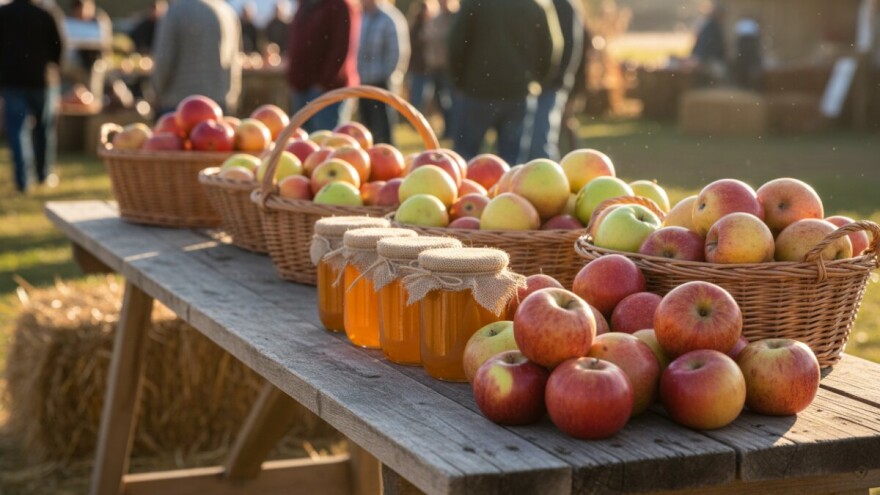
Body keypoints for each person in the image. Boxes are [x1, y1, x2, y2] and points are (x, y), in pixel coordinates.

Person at [447, 0, 561, 164]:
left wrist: (459, 81)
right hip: (517, 92)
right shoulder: (536, 4)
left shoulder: (474, 3)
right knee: (511, 163)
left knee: (464, 158)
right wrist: (537, 81)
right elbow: (551, 47)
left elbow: (455, 43)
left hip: (478, 91)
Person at [0, 0, 64, 192]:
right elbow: (58, 47)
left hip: (12, 82)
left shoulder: (3, 14)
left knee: (17, 130)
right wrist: (52, 67)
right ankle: (43, 174)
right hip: (41, 81)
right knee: (44, 128)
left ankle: (22, 180)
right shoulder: (45, 14)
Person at [151, 0, 241, 115]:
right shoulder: (227, 12)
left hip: (179, 103)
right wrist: (232, 97)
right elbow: (234, 61)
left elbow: (164, 60)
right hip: (218, 101)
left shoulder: (175, 12)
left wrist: (157, 92)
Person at [287, 0, 360, 133]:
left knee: (326, 140)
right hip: (301, 87)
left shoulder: (339, 5)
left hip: (327, 90)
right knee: (302, 143)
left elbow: (341, 48)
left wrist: (324, 82)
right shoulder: (306, 5)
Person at [526, 0, 585, 161]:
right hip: (528, 84)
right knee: (523, 142)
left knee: (540, 141)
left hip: (550, 85)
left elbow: (571, 46)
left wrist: (555, 79)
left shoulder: (564, 6)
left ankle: (548, 180)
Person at [357, 0, 410, 145]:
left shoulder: (391, 18)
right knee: (366, 126)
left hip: (382, 81)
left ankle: (388, 157)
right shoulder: (363, 17)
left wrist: (387, 76)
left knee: (384, 127)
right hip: (363, 82)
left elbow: (397, 53)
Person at [421, 0, 457, 138]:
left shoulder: (454, 17)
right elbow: (427, 37)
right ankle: (448, 128)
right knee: (440, 101)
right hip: (434, 65)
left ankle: (454, 129)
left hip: (448, 67)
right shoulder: (435, 18)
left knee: (452, 100)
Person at [405, 0, 434, 114]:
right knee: (417, 95)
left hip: (428, 67)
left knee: (426, 95)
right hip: (417, 67)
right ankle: (416, 117)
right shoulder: (414, 26)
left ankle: (422, 116)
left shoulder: (431, 24)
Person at [691, 3, 727, 85]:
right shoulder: (713, 27)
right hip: (707, 59)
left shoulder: (707, 25)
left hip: (703, 57)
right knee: (719, 74)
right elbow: (713, 45)